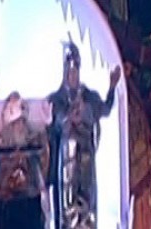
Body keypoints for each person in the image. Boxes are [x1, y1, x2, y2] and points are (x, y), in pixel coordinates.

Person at [47, 40, 120, 229]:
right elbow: (54, 121)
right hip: (67, 155)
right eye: (69, 71)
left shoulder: (89, 96)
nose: (73, 75)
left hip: (86, 152)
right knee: (67, 200)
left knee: (88, 198)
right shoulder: (56, 99)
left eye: (75, 70)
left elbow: (105, 109)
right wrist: (68, 117)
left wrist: (112, 87)